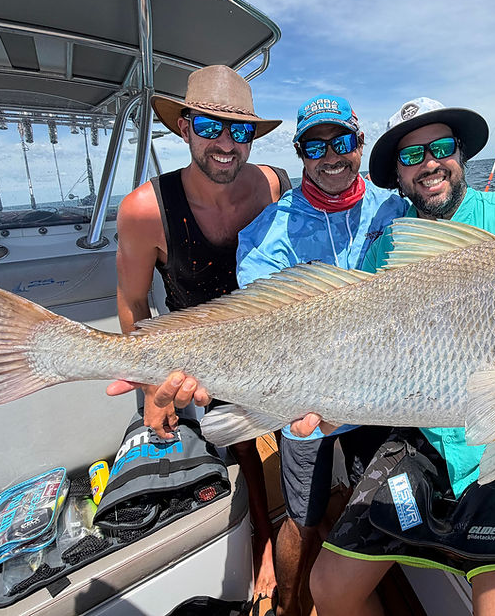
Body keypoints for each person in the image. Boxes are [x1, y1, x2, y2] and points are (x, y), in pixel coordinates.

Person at [307, 97, 495, 616]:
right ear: (396, 174)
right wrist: (325, 406)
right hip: (425, 432)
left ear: (460, 153)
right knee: (329, 590)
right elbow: (356, 349)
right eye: (412, 156)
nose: (430, 164)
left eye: (440, 148)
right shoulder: (385, 249)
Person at [149, 94, 408, 616]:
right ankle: (289, 606)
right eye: (315, 146)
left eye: (341, 142)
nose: (329, 156)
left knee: (383, 504)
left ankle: (360, 579)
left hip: (384, 395)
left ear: (359, 144)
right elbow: (269, 323)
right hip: (303, 402)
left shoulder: (395, 207)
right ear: (299, 154)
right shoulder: (267, 231)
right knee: (303, 516)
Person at [107, 65, 290, 603]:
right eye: (210, 127)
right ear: (184, 128)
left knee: (296, 433)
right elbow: (132, 302)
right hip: (201, 356)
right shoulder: (146, 210)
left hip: (272, 340)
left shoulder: (275, 185)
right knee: (243, 449)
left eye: (240, 131)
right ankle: (260, 544)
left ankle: (311, 519)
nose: (227, 144)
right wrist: (150, 390)